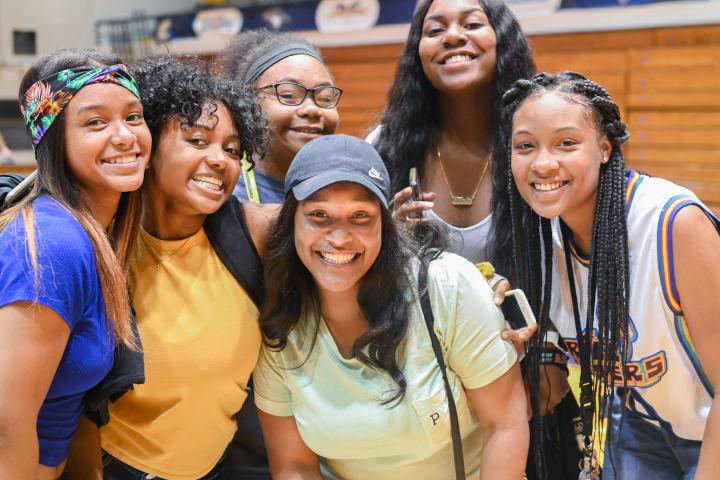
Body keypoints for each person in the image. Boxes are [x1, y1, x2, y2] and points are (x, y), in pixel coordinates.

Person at [254, 134, 528, 479]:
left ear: (385, 225)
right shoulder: (281, 315)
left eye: (360, 216)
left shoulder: (445, 286)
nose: (339, 237)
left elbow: (504, 424)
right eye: (319, 214)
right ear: (292, 221)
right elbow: (294, 466)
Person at [502, 71, 720, 479]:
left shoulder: (673, 224)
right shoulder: (541, 240)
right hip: (645, 419)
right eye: (525, 146)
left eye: (566, 143)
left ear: (604, 147)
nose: (543, 163)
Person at [64, 56, 271, 480]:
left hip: (214, 469)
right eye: (198, 140)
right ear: (149, 144)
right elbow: (71, 396)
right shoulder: (97, 243)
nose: (220, 160)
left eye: (232, 150)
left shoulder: (251, 232)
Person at [0, 49, 150, 478]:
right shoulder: (53, 242)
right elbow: (7, 428)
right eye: (95, 122)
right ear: (54, 140)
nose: (125, 136)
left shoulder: (98, 234)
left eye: (134, 116)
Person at [213, 30, 341, 204]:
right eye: (288, 95)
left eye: (325, 98)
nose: (312, 109)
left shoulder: (347, 186)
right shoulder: (223, 194)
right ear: (248, 102)